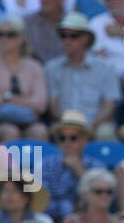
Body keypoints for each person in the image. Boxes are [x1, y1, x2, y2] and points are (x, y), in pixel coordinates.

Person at [45, 12, 119, 142]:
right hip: (63, 123)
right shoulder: (51, 68)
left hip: (95, 124)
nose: (67, 41)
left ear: (86, 38)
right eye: (63, 36)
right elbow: (53, 105)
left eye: (73, 36)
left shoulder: (106, 68)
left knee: (106, 133)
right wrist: (68, 125)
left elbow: (109, 106)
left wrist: (91, 125)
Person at [0, 15, 49, 143]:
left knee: (39, 132)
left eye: (11, 35)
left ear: (22, 38)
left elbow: (41, 104)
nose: (4, 39)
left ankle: (36, 164)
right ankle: (8, 164)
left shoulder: (34, 66)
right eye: (0, 34)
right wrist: (23, 101)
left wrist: (7, 97)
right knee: (10, 132)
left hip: (29, 120)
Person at [43, 110, 104, 223]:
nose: (67, 142)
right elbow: (42, 202)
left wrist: (80, 171)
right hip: (53, 222)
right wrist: (70, 208)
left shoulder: (97, 166)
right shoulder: (46, 165)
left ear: (84, 140)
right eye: (62, 138)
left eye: (73, 138)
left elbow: (102, 198)